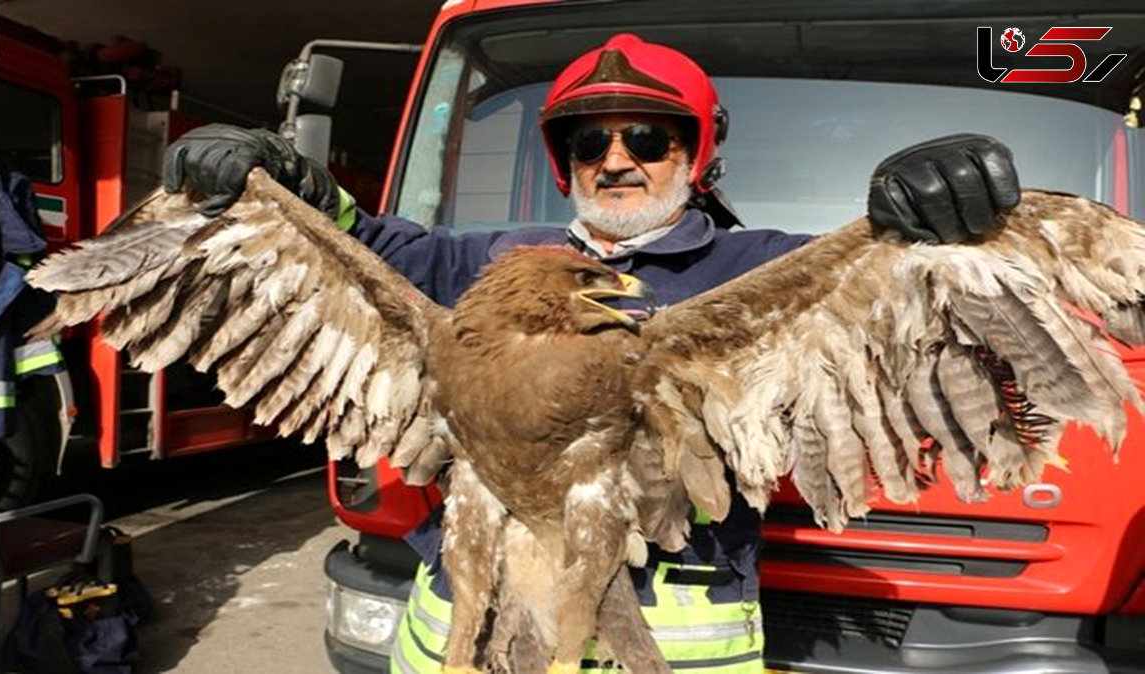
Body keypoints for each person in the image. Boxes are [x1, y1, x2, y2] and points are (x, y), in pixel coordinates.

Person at [162, 33, 1019, 673]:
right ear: (565, 162)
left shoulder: (761, 269)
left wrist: (935, 221)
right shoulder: (483, 262)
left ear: (696, 154)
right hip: (459, 622)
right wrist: (277, 184)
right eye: (588, 143)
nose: (617, 160)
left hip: (676, 635)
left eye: (648, 139)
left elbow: (903, 294)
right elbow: (362, 249)